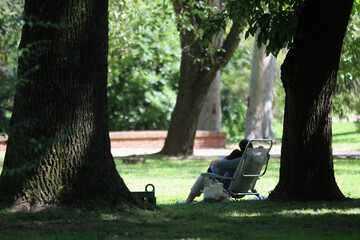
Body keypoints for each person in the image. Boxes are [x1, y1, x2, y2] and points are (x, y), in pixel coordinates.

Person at [181, 139, 253, 204]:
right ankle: (201, 202)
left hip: (230, 189)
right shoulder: (253, 161)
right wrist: (260, 151)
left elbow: (220, 163)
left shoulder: (239, 161)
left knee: (203, 176)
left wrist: (212, 162)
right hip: (243, 189)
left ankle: (188, 201)